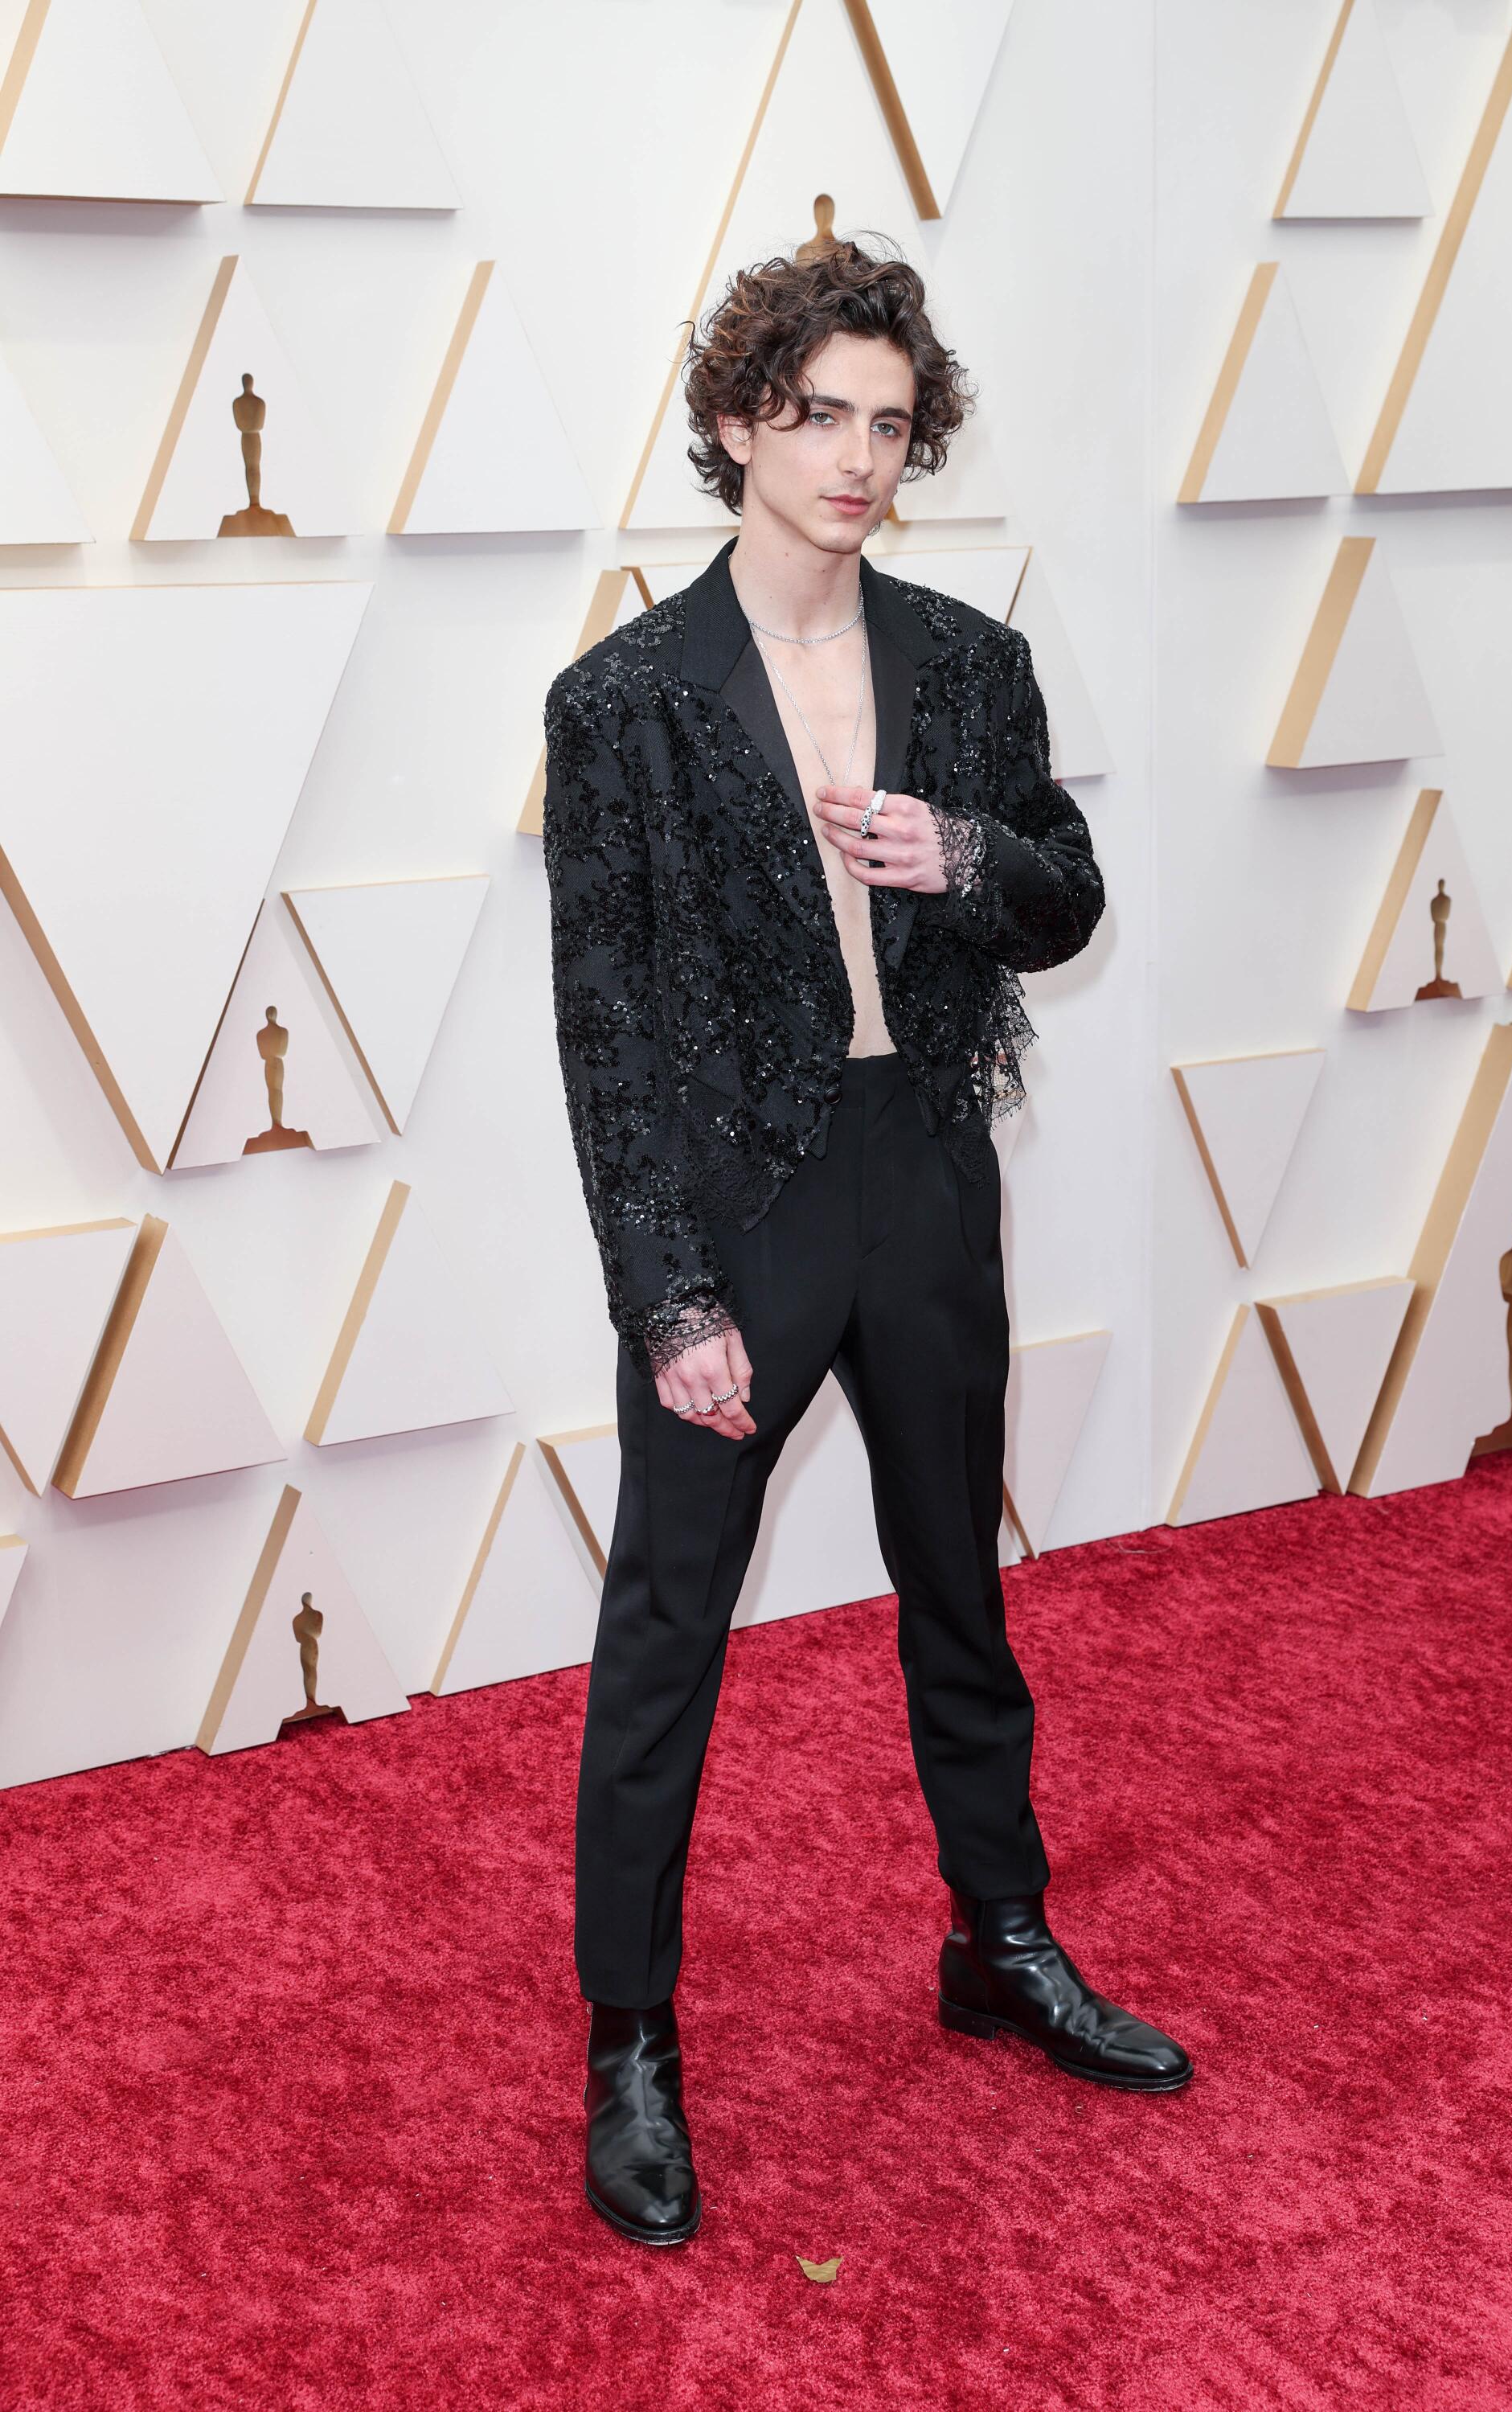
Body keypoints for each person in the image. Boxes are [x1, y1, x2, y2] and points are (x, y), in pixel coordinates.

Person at [542, 232, 1191, 2249]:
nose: (854, 455)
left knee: (955, 1591)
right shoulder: (627, 700)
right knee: (668, 1631)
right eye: (816, 412)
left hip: (922, 1170)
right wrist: (668, 1291)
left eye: (890, 424)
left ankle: (998, 1940)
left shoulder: (967, 665)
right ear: (738, 421)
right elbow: (610, 1021)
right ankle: (628, 2038)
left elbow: (1065, 897)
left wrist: (968, 855)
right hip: (739, 1195)